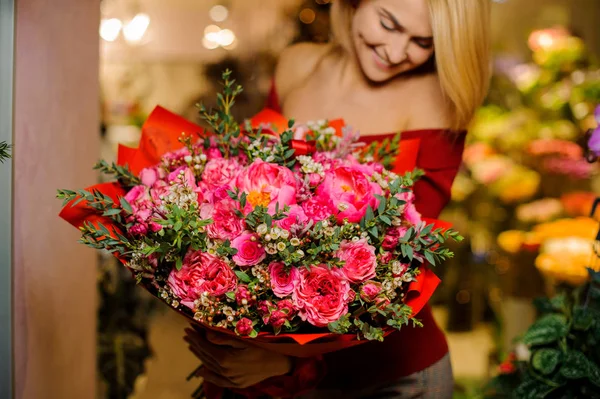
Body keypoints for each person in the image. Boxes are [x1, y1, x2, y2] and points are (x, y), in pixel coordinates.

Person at [184, 0, 491, 397]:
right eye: (388, 23)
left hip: (389, 378)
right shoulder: (296, 64)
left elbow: (396, 265)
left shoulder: (438, 98)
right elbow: (254, 199)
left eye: (422, 42)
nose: (397, 53)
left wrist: (290, 361)